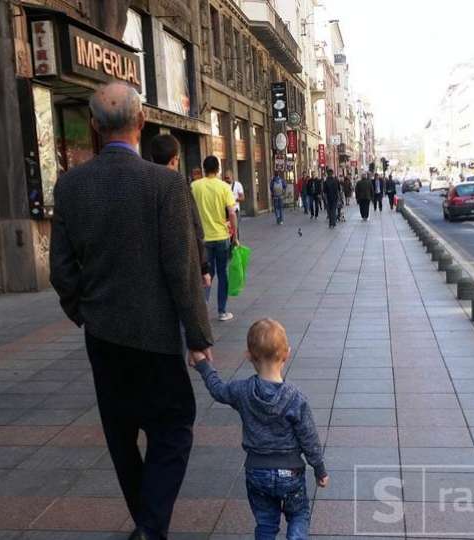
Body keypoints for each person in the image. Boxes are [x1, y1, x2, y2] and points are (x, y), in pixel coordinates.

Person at [50, 83, 213, 540]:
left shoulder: (71, 185)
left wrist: (83, 312)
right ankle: (150, 526)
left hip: (103, 337)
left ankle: (148, 526)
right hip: (157, 337)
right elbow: (181, 269)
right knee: (175, 427)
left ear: (95, 128)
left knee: (121, 437)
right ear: (141, 123)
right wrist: (198, 336)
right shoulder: (165, 183)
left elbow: (61, 270)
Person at [191, 318, 328, 540]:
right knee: (299, 515)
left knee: (266, 523)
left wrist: (203, 365)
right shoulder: (295, 397)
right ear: (287, 354)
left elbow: (218, 390)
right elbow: (309, 438)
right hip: (290, 472)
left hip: (257, 471)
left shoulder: (241, 391)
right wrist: (319, 469)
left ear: (248, 356)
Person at [150, 134, 211, 290]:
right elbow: (195, 227)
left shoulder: (143, 182)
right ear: (174, 159)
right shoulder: (177, 183)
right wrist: (203, 267)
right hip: (179, 265)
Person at [192, 155, 238, 322]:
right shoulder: (224, 187)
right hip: (221, 237)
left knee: (206, 273)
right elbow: (232, 213)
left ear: (204, 169)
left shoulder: (194, 186)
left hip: (202, 239)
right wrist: (234, 233)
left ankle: (202, 308)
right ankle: (222, 311)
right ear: (218, 169)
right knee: (222, 273)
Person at [224, 171, 245, 239]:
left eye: (228, 178)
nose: (226, 179)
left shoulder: (238, 185)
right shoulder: (223, 185)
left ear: (232, 177)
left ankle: (236, 242)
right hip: (225, 210)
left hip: (235, 210)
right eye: (225, 178)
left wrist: (234, 199)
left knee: (235, 228)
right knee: (227, 229)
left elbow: (242, 198)